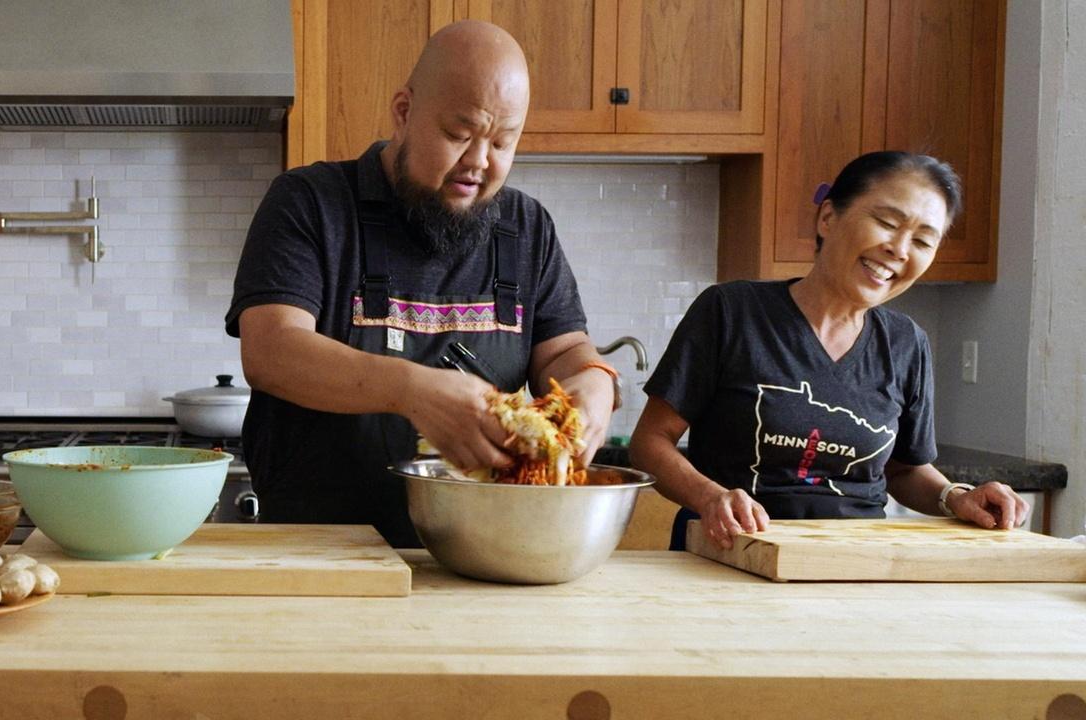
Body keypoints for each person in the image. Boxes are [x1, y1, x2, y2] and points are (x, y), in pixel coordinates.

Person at [226, 20, 618, 547]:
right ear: (404, 111)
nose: (479, 162)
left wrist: (594, 381)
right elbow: (272, 349)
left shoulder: (527, 228)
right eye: (459, 135)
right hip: (318, 552)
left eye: (502, 142)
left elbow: (566, 349)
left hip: (479, 555)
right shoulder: (310, 202)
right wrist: (413, 391)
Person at [630, 151, 1030, 551]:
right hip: (729, 552)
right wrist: (709, 497)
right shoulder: (731, 312)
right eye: (887, 223)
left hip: (852, 562)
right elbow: (650, 442)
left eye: (923, 241)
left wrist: (956, 497)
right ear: (828, 217)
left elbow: (904, 471)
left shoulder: (907, 343)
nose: (900, 249)